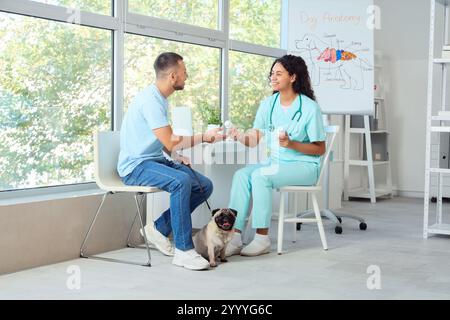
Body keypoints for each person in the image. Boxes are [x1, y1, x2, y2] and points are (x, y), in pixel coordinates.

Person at [117, 52, 224, 270]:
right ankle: (184, 251)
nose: (187, 76)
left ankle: (158, 229)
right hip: (135, 167)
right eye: (184, 72)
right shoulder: (151, 101)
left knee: (203, 185)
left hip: (153, 160)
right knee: (181, 182)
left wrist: (176, 157)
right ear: (173, 76)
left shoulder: (159, 99)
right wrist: (204, 137)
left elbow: (164, 142)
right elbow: (171, 140)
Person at [226, 54, 326, 257]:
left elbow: (320, 148)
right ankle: (234, 237)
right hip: (277, 163)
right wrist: (239, 136)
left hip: (304, 166)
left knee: (261, 176)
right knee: (241, 175)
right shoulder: (268, 104)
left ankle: (262, 238)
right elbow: (254, 139)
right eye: (272, 73)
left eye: (279, 73)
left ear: (293, 77)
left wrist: (292, 144)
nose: (273, 77)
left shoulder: (309, 108)